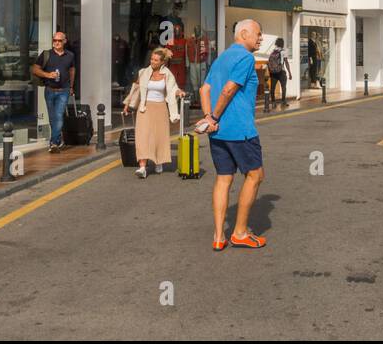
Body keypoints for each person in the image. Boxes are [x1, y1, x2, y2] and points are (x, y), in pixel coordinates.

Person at [199, 19, 266, 250]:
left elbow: (204, 89)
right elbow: (229, 89)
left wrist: (209, 118)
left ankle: (219, 236)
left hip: (217, 133)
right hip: (240, 130)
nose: (260, 38)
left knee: (224, 178)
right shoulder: (246, 58)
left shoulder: (221, 58)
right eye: (258, 34)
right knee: (255, 175)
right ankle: (239, 232)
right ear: (244, 33)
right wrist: (214, 117)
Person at [122, 46, 185, 178]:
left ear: (162, 62)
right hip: (144, 108)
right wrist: (127, 104)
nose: (152, 62)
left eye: (156, 60)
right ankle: (143, 167)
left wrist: (179, 92)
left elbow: (173, 89)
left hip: (160, 107)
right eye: (151, 59)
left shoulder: (167, 74)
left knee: (158, 136)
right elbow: (136, 88)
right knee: (143, 136)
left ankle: (158, 160)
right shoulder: (143, 72)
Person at [31, 32, 76, 152]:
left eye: (59, 41)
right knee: (52, 118)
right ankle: (58, 138)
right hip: (50, 90)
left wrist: (71, 86)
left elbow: (72, 70)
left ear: (65, 41)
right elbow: (35, 69)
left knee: (58, 116)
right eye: (54, 40)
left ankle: (54, 143)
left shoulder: (70, 55)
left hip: (64, 91)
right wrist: (48, 75)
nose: (56, 42)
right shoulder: (46, 54)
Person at [266, 42, 290, 108]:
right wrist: (289, 73)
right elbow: (286, 62)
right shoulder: (283, 51)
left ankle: (273, 102)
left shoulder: (273, 51)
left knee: (272, 88)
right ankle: (283, 102)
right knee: (283, 87)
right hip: (281, 71)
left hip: (273, 72)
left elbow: (270, 62)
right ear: (282, 44)